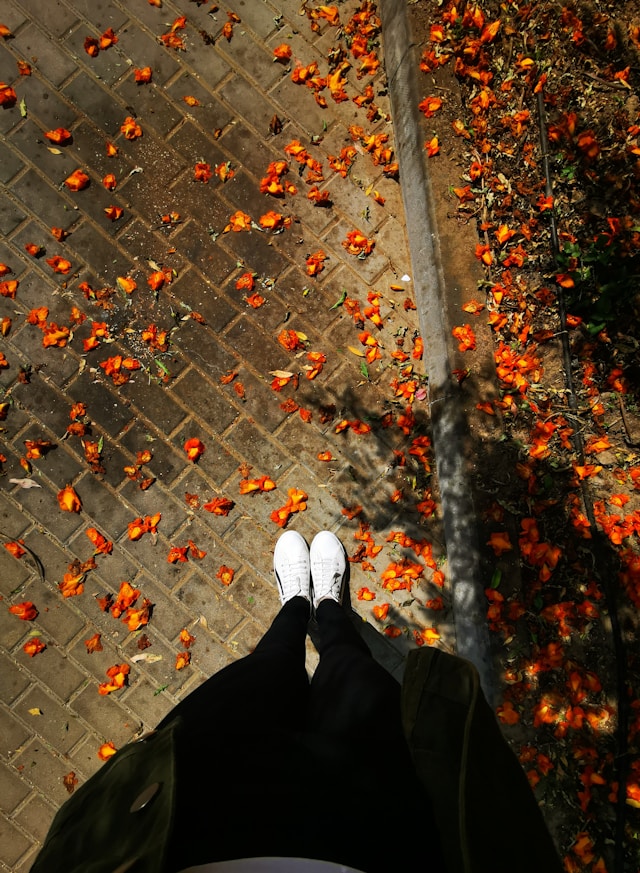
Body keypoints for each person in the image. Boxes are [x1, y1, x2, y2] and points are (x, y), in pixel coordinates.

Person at [31, 531, 563, 873]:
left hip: (198, 813)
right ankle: (328, 612)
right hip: (385, 829)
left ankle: (302, 606)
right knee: (350, 671)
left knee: (268, 671)